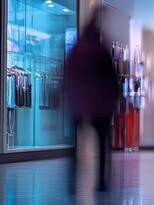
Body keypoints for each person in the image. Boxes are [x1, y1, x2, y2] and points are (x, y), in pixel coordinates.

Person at [64, 5, 120, 192]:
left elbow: (68, 74)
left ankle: (72, 182)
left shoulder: (77, 49)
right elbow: (111, 79)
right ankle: (102, 182)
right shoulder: (101, 49)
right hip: (99, 104)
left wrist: (68, 97)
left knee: (76, 144)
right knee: (103, 143)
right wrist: (114, 98)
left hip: (78, 103)